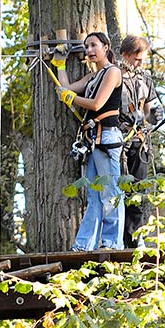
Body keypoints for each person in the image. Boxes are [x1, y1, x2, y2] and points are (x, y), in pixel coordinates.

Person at [52, 32, 124, 251]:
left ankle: (112, 243)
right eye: (86, 47)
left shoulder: (112, 72)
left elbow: (96, 104)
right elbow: (66, 87)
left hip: (107, 136)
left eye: (94, 45)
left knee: (110, 193)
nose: (89, 50)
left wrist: (71, 98)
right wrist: (59, 64)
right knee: (93, 196)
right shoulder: (93, 77)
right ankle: (84, 245)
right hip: (92, 139)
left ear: (105, 46)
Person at [118, 35, 161, 248]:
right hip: (117, 140)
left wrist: (153, 116)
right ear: (124, 55)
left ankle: (133, 240)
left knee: (138, 192)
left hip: (139, 140)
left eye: (143, 59)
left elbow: (147, 110)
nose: (140, 64)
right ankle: (115, 239)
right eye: (137, 59)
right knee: (117, 191)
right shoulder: (114, 75)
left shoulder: (145, 78)